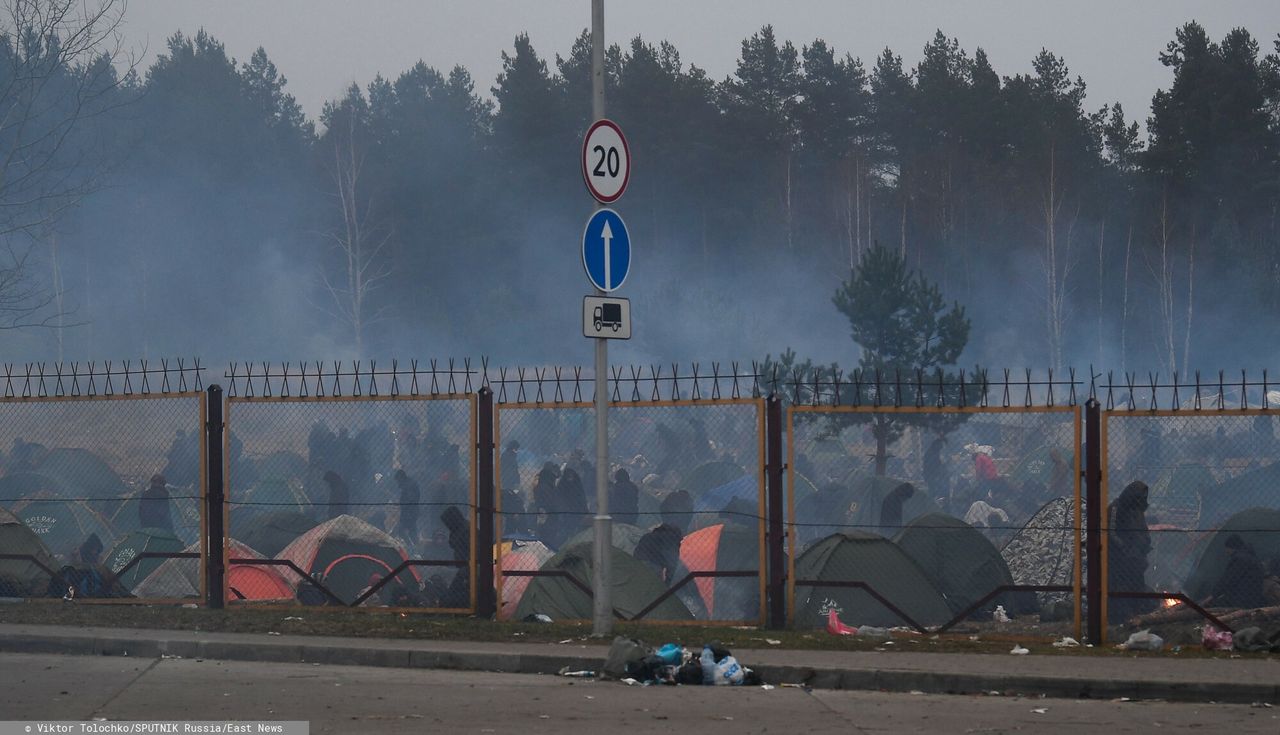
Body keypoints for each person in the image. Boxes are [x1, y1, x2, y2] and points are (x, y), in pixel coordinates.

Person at [1108, 480, 1155, 622]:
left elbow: (1143, 531)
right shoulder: (1116, 508)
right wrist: (1125, 548)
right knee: (1120, 587)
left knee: (1137, 584)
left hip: (1136, 557)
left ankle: (1136, 612)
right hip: (1119, 557)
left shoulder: (1137, 510)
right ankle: (1121, 615)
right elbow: (1111, 532)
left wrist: (1144, 545)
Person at [1208, 534, 1266, 609]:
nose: (1226, 552)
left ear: (1232, 547)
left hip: (1242, 600)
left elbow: (1227, 580)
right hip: (1254, 599)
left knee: (1213, 605)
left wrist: (1213, 595)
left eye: (1227, 548)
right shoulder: (1252, 557)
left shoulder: (1239, 559)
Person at [393, 470, 421, 544]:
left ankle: (411, 546)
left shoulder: (408, 485)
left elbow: (410, 499)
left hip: (409, 512)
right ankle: (415, 546)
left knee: (401, 530)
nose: (397, 483)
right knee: (412, 531)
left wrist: (401, 503)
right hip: (411, 512)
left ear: (400, 478)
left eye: (398, 480)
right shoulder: (408, 483)